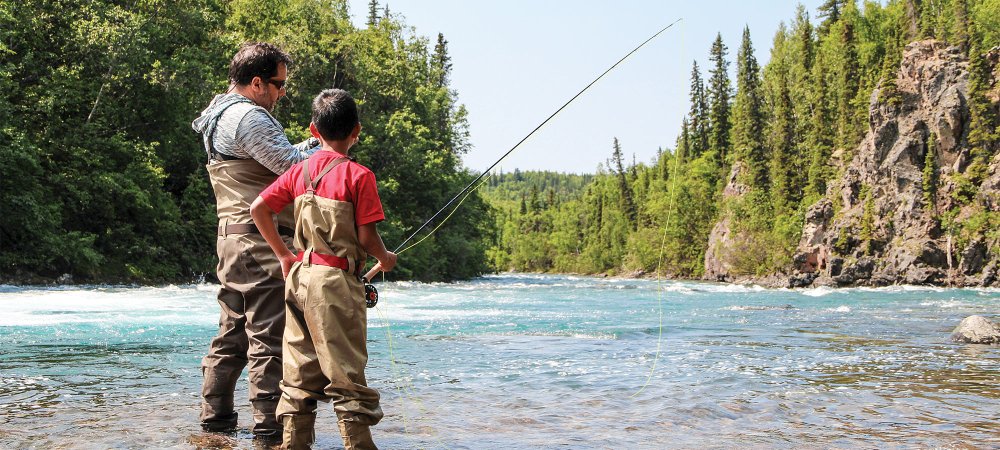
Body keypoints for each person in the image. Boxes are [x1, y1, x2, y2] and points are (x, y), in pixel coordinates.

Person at [250, 88, 397, 450]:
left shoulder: (300, 171)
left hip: (299, 278)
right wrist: (385, 258)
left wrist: (285, 256)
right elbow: (366, 236)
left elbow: (258, 209)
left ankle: (293, 444)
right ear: (356, 131)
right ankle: (359, 446)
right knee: (346, 374)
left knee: (299, 371)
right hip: (334, 283)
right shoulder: (359, 176)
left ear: (313, 131)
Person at [191, 41, 317, 440]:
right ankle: (268, 432)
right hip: (261, 245)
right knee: (268, 339)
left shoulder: (218, 116)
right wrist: (329, 148)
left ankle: (215, 426)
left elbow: (277, 157)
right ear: (257, 82)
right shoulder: (250, 118)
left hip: (230, 241)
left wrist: (311, 145)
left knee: (231, 335)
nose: (282, 93)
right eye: (279, 85)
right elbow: (293, 169)